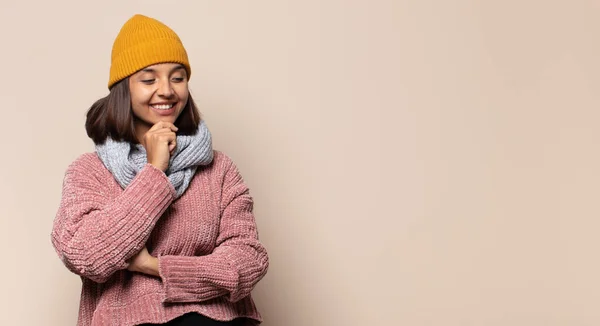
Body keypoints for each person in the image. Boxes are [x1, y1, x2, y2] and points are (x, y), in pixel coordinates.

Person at [50, 14, 269, 326]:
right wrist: (155, 171)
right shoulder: (89, 172)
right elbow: (89, 256)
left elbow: (246, 263)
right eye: (149, 80)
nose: (166, 90)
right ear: (124, 89)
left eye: (177, 78)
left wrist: (153, 265)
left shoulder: (218, 168)